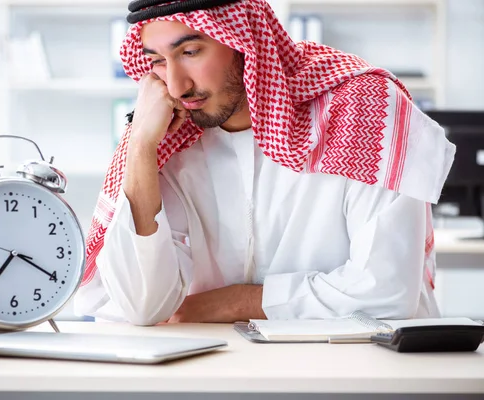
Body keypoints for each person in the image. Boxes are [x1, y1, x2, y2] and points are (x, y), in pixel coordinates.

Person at [74, 0, 455, 325]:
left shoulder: (362, 110)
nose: (175, 86)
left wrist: (235, 302)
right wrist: (140, 146)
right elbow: (144, 307)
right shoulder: (169, 137)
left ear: (245, 42)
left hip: (361, 373)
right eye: (157, 61)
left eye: (190, 52)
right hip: (219, 373)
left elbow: (387, 293)